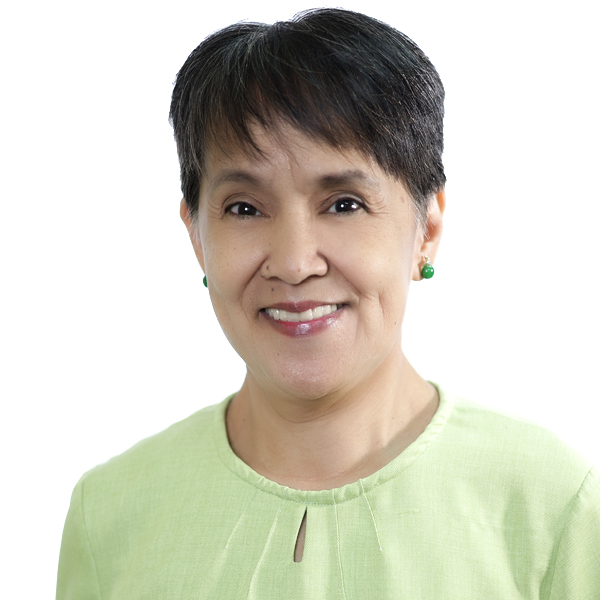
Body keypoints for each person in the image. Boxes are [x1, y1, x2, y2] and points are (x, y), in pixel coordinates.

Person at [56, 8, 600, 598]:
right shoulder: (108, 515)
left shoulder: (553, 507)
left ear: (427, 228)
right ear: (196, 237)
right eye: (244, 208)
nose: (295, 263)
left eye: (344, 204)